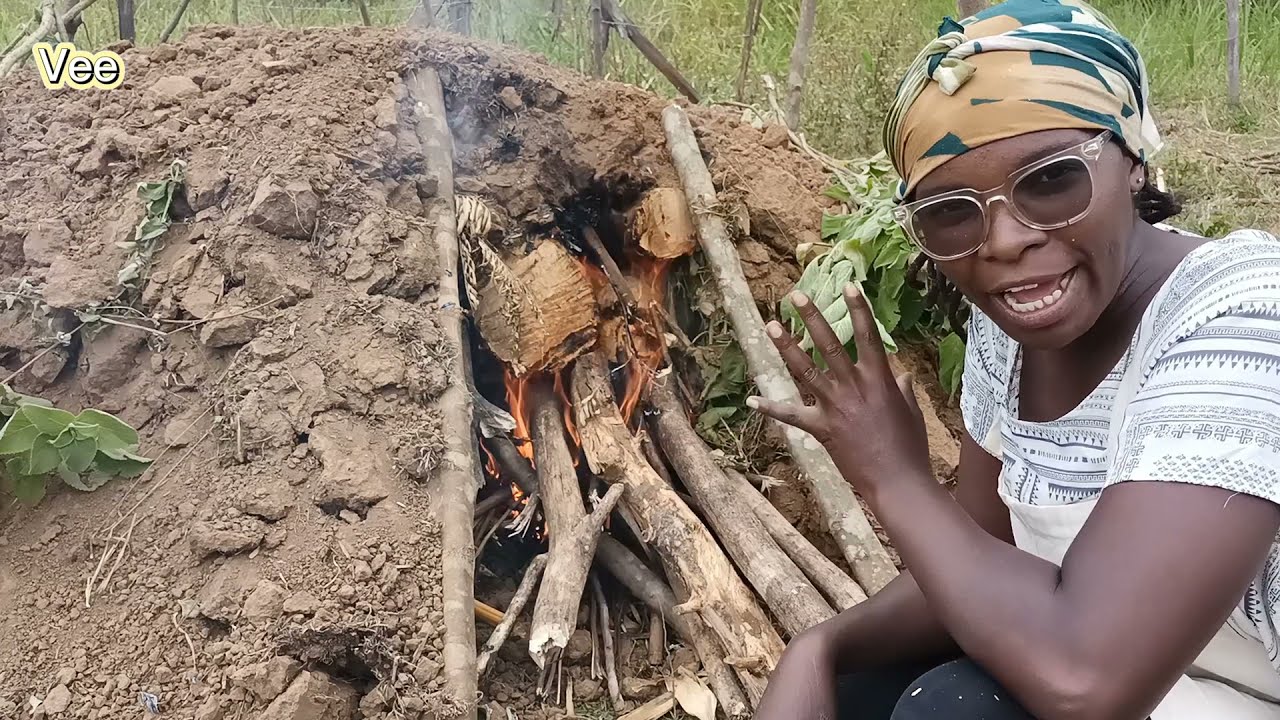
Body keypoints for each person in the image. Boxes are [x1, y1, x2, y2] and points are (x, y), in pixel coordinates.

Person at [746, 1, 1280, 718]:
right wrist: (821, 648)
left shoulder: (1241, 312)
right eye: (950, 212)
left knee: (954, 708)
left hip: (1201, 683)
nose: (1001, 242)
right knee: (855, 694)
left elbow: (1086, 681)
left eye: (1052, 180)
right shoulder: (1010, 329)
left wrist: (894, 479)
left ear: (1132, 162)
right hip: (1141, 667)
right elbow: (975, 565)